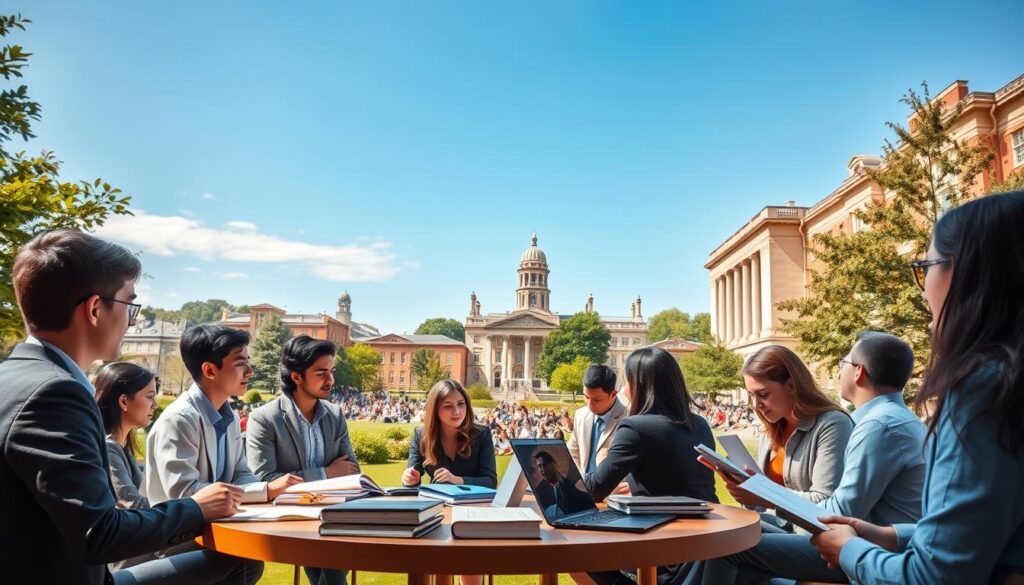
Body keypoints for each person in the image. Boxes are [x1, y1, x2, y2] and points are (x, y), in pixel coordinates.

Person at [0, 230, 242, 585]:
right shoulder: (56, 392)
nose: (132, 320)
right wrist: (196, 508)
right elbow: (100, 533)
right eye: (130, 304)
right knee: (237, 561)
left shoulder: (13, 374)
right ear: (95, 309)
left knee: (234, 562)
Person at [811, 190, 1024, 583]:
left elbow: (936, 575)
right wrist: (889, 535)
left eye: (925, 265)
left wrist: (849, 550)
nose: (923, 285)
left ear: (963, 272)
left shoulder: (987, 387)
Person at [697, 331, 926, 584]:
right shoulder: (886, 420)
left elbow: (837, 512)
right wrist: (755, 493)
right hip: (863, 544)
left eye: (843, 364)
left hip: (869, 554)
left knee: (725, 547)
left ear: (858, 372)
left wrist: (764, 493)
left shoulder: (877, 426)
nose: (839, 371)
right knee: (721, 536)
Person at [95, 361, 263, 583]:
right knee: (244, 561)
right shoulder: (109, 447)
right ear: (124, 401)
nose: (155, 404)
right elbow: (133, 504)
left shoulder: (124, 445)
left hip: (146, 548)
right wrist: (198, 507)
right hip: (130, 561)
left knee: (245, 559)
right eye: (149, 396)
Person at [584, 347, 719, 585]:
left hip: (662, 554)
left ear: (637, 384)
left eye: (627, 380)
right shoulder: (700, 424)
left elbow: (594, 488)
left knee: (579, 555)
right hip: (704, 549)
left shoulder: (636, 428)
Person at [145, 324, 303, 506]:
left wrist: (266, 494)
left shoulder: (230, 417)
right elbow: (185, 493)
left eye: (248, 362)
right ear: (210, 370)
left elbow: (241, 473)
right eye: (240, 363)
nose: (250, 371)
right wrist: (266, 490)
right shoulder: (180, 419)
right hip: (181, 532)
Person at [246, 335, 359, 585]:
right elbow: (264, 480)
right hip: (291, 516)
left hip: (333, 512)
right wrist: (327, 474)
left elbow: (351, 469)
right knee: (333, 562)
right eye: (321, 373)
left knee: (332, 562)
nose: (331, 380)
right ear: (296, 377)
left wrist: (311, 477)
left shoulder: (335, 414)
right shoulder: (265, 419)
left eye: (331, 371)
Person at [721, 345, 852, 531]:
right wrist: (743, 492)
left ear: (791, 386)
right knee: (715, 531)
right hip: (781, 526)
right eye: (751, 396)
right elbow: (761, 506)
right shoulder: (772, 427)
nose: (756, 405)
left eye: (763, 394)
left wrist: (765, 495)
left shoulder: (833, 424)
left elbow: (825, 501)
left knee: (730, 542)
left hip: (817, 536)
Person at [402, 379, 497, 488]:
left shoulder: (481, 434)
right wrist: (410, 478)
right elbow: (412, 477)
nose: (457, 411)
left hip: (471, 503)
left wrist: (457, 480)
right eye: (448, 406)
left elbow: (490, 482)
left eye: (461, 404)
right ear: (434, 409)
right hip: (437, 502)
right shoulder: (420, 435)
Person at [567, 365, 628, 476]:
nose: (589, 405)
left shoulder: (629, 417)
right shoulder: (580, 415)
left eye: (597, 399)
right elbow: (573, 452)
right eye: (586, 397)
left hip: (615, 490)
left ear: (613, 394)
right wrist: (580, 480)